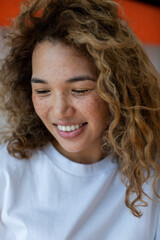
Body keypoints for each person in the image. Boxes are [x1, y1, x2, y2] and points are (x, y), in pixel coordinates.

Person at [0, 0, 160, 239]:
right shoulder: (7, 171)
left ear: (117, 89)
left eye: (80, 90)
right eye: (43, 91)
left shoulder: (152, 171)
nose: (60, 111)